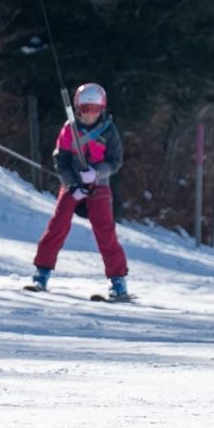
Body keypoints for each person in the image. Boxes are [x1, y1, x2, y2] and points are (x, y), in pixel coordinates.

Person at [28, 82, 130, 299]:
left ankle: (118, 280)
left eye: (94, 110)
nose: (90, 115)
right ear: (77, 108)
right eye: (85, 109)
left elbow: (116, 161)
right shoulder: (69, 129)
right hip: (72, 184)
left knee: (105, 232)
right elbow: (61, 159)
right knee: (57, 225)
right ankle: (42, 273)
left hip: (99, 186)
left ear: (101, 109)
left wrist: (97, 173)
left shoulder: (109, 131)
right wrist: (73, 185)